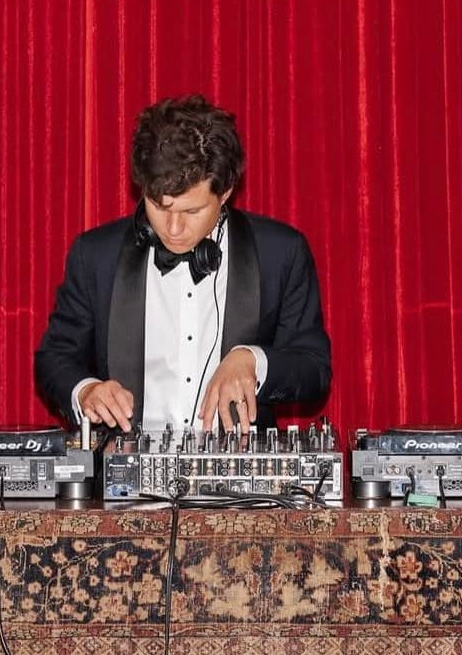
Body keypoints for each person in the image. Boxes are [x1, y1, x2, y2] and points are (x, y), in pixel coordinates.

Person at [35, 95, 331, 434]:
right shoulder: (95, 255)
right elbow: (54, 358)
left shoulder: (280, 253)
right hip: (124, 479)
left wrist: (253, 360)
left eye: (191, 211)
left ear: (225, 193)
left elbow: (314, 368)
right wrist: (85, 390)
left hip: (239, 480)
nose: (173, 229)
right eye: (159, 207)